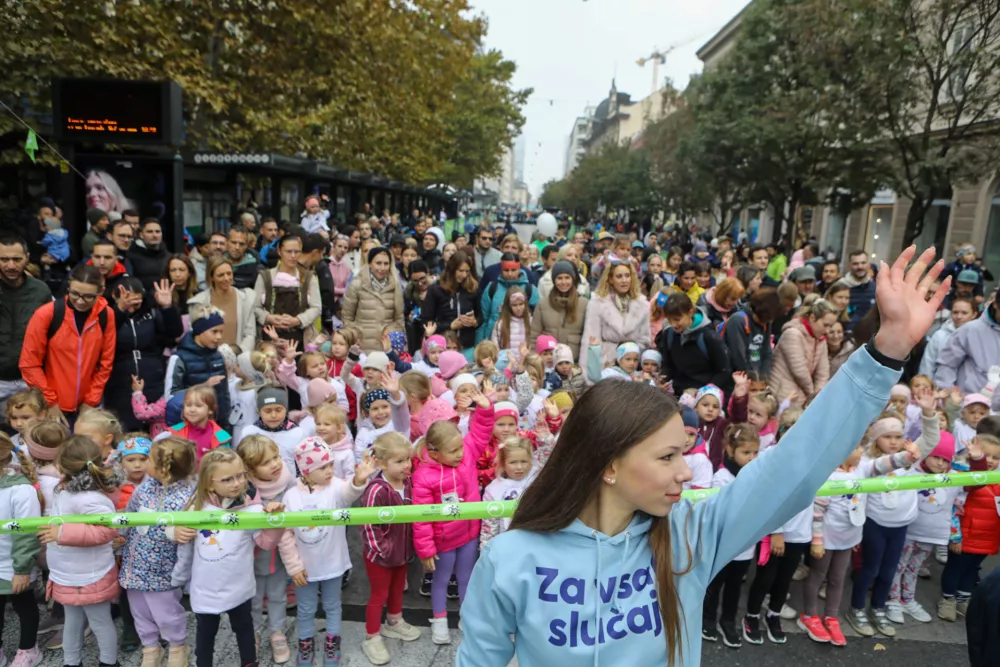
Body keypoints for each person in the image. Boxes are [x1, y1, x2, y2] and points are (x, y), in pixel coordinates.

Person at [456, 245, 949, 667]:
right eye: (667, 456)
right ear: (607, 463)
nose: (684, 471)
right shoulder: (509, 558)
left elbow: (794, 465)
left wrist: (886, 352)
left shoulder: (692, 531)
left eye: (684, 453)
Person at [172, 448, 283, 667]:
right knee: (205, 633)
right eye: (227, 479)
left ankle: (249, 663)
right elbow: (170, 523)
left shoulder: (253, 510)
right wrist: (174, 531)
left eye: (240, 475)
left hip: (238, 587)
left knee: (244, 628)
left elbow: (267, 543)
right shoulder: (196, 507)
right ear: (210, 483)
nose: (237, 483)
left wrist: (275, 521)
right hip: (205, 589)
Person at [284, 439, 376, 665]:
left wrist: (359, 480)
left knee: (333, 606)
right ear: (306, 470)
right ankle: (305, 646)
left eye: (331, 464)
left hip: (334, 564)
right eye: (322, 467)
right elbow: (285, 536)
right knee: (305, 609)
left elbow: (348, 493)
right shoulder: (290, 496)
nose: (329, 471)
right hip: (304, 568)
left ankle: (332, 645)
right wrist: (293, 566)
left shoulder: (335, 486)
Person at [39, 436, 122, 667]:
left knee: (100, 621)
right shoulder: (63, 491)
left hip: (90, 574)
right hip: (67, 572)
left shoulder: (90, 498)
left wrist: (62, 535)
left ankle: (108, 662)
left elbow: (107, 531)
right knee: (72, 621)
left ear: (61, 466)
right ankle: (71, 662)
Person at [118, 436, 197, 667]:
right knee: (140, 611)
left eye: (149, 459)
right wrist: (120, 535)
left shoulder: (187, 497)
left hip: (163, 571)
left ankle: (177, 646)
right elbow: (130, 515)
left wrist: (181, 575)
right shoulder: (144, 488)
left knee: (167, 614)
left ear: (164, 468)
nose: (144, 464)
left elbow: (187, 537)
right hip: (135, 565)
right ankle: (151, 647)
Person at [19, 264, 115, 426]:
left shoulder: (106, 315)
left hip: (88, 404)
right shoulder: (47, 314)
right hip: (51, 404)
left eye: (88, 296)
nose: (80, 301)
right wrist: (50, 402)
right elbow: (29, 363)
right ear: (68, 286)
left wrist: (91, 402)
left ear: (101, 291)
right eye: (74, 293)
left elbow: (105, 363)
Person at [362, 432, 423, 665]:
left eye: (407, 459)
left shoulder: (408, 482)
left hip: (402, 552)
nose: (406, 465)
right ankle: (372, 635)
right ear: (381, 463)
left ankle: (394, 621)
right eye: (399, 461)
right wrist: (382, 549)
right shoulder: (377, 489)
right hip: (381, 556)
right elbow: (368, 524)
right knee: (379, 595)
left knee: (398, 588)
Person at [105, 277, 183, 431]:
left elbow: (174, 334)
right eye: (128, 302)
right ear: (115, 296)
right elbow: (104, 336)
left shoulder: (151, 314)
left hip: (153, 381)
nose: (132, 308)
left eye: (137, 303)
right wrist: (120, 311)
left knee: (156, 430)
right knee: (124, 430)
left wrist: (167, 308)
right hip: (120, 384)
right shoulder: (108, 315)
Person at [0, 432, 44, 667]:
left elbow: (26, 533)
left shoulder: (20, 490)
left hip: (14, 564)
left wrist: (22, 569)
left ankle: (28, 649)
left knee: (23, 604)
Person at [0, 234, 51, 418]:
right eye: (4, 259)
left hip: (29, 380)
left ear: (27, 258)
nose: (11, 265)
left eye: (17, 259)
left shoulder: (40, 290)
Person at [580, 258, 651, 374]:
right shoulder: (597, 303)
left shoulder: (642, 304)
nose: (624, 280)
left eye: (627, 276)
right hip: (605, 364)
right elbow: (591, 339)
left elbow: (645, 339)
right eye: (619, 276)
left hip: (632, 366)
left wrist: (629, 354)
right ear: (611, 279)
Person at [935, 289, 1000, 412]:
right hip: (969, 411)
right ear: (995, 304)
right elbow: (947, 365)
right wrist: (949, 401)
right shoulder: (969, 330)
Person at [253, 234, 322, 348]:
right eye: (289, 251)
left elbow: (317, 307)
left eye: (296, 252)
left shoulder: (308, 277)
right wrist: (269, 317)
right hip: (269, 341)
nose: (293, 256)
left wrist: (297, 320)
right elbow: (254, 307)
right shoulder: (266, 276)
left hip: (301, 339)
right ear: (280, 252)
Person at [658, 293, 732, 396]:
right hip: (679, 394)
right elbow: (668, 366)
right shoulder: (669, 335)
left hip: (705, 399)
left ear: (690, 312)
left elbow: (724, 371)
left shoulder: (708, 337)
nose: (673, 324)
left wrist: (704, 392)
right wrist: (663, 380)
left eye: (677, 319)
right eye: (669, 320)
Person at [770, 299, 838, 404]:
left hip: (802, 396)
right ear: (812, 318)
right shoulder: (793, 334)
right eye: (825, 325)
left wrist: (818, 394)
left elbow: (823, 372)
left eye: (830, 326)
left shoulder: (820, 339)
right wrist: (812, 395)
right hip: (782, 394)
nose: (828, 331)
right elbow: (799, 371)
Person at [341, 246, 405, 352]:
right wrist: (355, 334)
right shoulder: (357, 284)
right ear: (370, 264)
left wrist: (393, 334)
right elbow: (347, 317)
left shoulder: (395, 286)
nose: (382, 268)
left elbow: (399, 319)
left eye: (386, 263)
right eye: (378, 263)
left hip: (387, 344)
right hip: (362, 344)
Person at [188, 256, 257, 352]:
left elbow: (250, 334)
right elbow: (195, 335)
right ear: (211, 277)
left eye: (229, 273)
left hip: (239, 358)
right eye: (220, 275)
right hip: (209, 359)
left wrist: (237, 354)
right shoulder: (199, 302)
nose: (226, 278)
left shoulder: (246, 298)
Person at [422, 251, 480, 358]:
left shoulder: (472, 289)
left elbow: (481, 316)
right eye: (461, 271)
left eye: (467, 271)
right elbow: (426, 321)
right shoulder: (435, 290)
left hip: (466, 347)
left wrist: (474, 322)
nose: (464, 275)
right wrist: (450, 326)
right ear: (452, 269)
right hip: (442, 347)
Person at [530, 261, 589, 361]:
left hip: (574, 361)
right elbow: (534, 335)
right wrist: (533, 359)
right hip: (548, 360)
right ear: (554, 280)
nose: (563, 282)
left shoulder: (584, 304)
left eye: (567, 278)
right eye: (559, 278)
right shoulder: (543, 304)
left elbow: (587, 336)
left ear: (572, 279)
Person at [722, 287, 780, 377]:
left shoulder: (767, 320)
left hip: (757, 374)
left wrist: (763, 377)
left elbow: (767, 352)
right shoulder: (738, 320)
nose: (769, 321)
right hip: (739, 377)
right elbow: (738, 357)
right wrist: (751, 379)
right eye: (765, 319)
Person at [920, 296, 977, 378]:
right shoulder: (939, 335)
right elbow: (927, 364)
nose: (959, 316)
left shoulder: (980, 337)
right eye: (955, 312)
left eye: (964, 313)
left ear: (974, 314)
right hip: (940, 387)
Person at [127, 218, 170, 291]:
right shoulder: (131, 257)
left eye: (158, 231)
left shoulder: (169, 257)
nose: (154, 235)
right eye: (150, 232)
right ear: (141, 235)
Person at [843, 250, 877, 329]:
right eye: (855, 264)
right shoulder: (841, 286)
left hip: (870, 337)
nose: (860, 267)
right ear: (849, 266)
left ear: (868, 265)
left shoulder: (875, 288)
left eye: (863, 263)